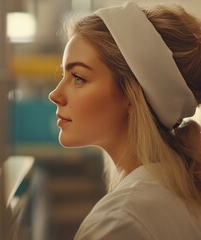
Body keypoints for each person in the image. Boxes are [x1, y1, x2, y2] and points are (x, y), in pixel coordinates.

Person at [48, 1, 201, 239]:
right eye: (63, 75)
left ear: (131, 95)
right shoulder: (177, 192)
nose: (55, 94)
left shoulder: (120, 221)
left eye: (78, 78)